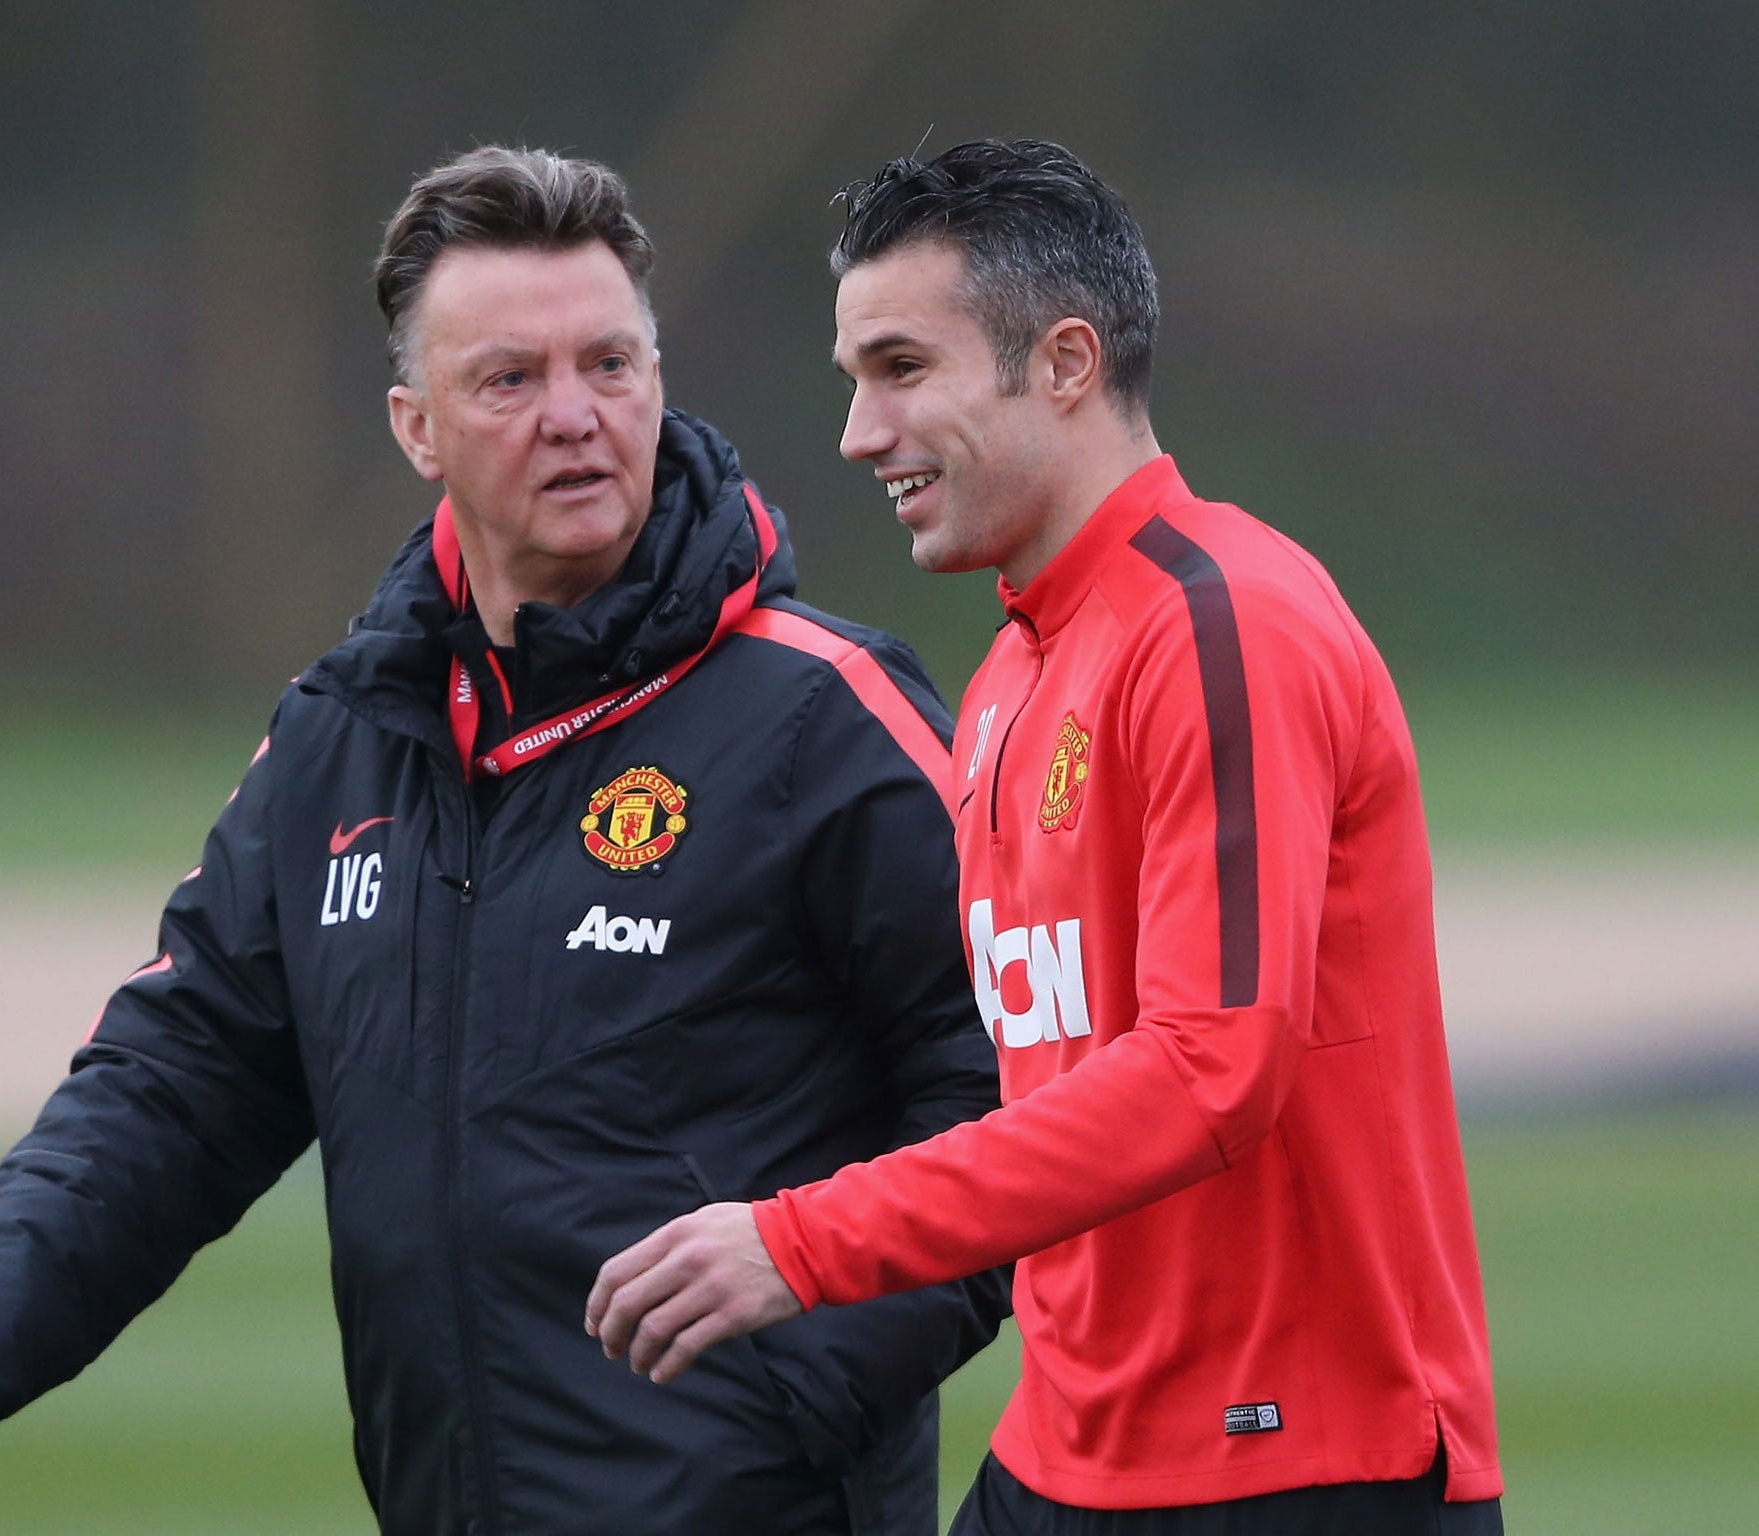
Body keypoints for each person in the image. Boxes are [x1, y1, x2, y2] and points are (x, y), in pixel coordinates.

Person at [0, 145, 1010, 1536]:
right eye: (510, 380)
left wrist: (795, 1390)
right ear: (417, 426)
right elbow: (180, 1075)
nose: (576, 416)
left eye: (612, 365)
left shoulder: (829, 717)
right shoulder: (345, 736)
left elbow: (1007, 1096)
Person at [588, 139, 1505, 1535]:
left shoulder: (1220, 621)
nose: (857, 432)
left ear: (1065, 362)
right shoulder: (1015, 671)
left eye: (902, 370)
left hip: (1290, 1469)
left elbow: (1210, 1071)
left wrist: (802, 1240)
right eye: (853, 379)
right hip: (1066, 1452)